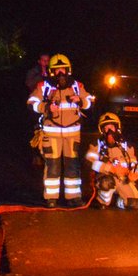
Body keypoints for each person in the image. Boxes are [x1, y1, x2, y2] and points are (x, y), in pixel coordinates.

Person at [27, 53, 93, 207]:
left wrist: (81, 101)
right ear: (51, 71)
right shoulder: (43, 86)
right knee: (52, 165)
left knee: (72, 165)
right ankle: (51, 198)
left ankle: (73, 197)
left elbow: (90, 101)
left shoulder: (78, 86)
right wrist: (46, 107)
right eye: (57, 70)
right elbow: (31, 103)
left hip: (73, 135)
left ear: (68, 70)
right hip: (51, 133)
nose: (60, 73)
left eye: (63, 69)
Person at [86, 112, 138, 209]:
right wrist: (110, 168)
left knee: (136, 203)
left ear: (117, 128)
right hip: (106, 178)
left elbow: (134, 163)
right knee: (106, 183)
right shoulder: (97, 145)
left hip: (123, 179)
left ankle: (119, 201)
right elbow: (89, 161)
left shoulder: (126, 146)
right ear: (102, 130)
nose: (109, 131)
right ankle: (102, 200)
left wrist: (134, 174)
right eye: (106, 128)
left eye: (111, 127)